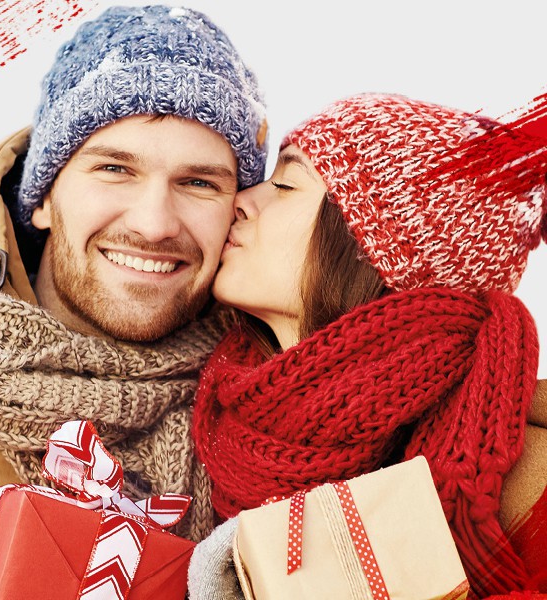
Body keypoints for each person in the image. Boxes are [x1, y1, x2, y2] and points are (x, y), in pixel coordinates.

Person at [189, 93, 547, 598]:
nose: (243, 199)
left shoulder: (525, 489)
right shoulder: (204, 415)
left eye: (286, 184)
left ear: (369, 252)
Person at [0, 4, 268, 560]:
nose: (154, 223)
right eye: (115, 169)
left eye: (198, 182)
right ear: (43, 195)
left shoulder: (269, 416)